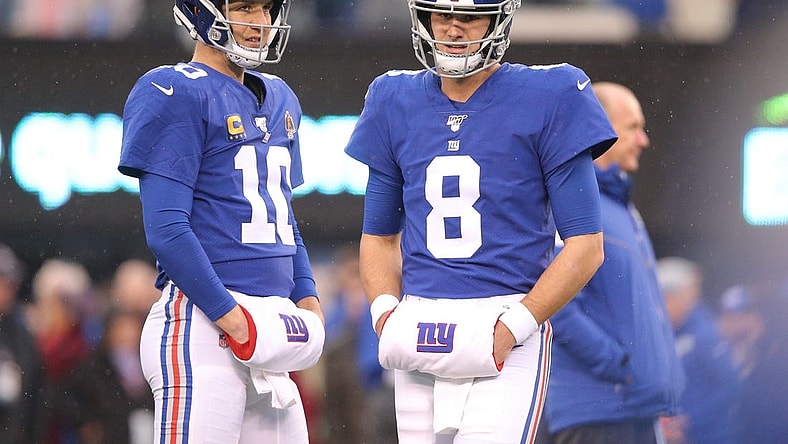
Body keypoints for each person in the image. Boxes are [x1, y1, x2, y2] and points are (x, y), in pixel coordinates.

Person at [343, 0, 617, 442]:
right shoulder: (394, 97)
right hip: (419, 322)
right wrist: (384, 314)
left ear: (498, 18)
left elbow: (586, 245)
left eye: (467, 17)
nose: (452, 29)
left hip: (505, 317)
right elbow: (378, 237)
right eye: (440, 14)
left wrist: (515, 326)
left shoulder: (552, 93)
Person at [117, 1, 325, 442]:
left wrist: (306, 295)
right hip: (200, 325)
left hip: (265, 330)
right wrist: (231, 317)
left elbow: (281, 216)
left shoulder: (281, 96)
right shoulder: (174, 89)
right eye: (245, 5)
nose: (261, 22)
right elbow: (167, 229)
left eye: (268, 8)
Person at [537, 81, 685, 444]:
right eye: (633, 127)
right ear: (600, 127)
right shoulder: (571, 200)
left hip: (633, 411)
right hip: (597, 416)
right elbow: (555, 303)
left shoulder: (619, 205)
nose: (643, 140)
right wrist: (618, 366)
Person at [655, 256, 741, 444]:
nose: (660, 307)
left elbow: (731, 386)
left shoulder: (706, 332)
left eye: (666, 299)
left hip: (712, 437)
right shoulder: (665, 332)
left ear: (686, 295)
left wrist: (690, 420)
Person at [0, 243, 44, 444]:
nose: (10, 289)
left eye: (12, 283)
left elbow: (34, 386)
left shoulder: (19, 331)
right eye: (4, 282)